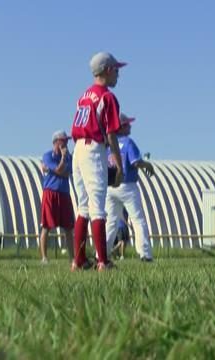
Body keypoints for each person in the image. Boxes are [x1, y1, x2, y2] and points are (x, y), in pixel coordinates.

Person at [70, 52, 126, 272]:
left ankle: (79, 260)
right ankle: (103, 261)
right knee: (97, 207)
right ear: (108, 70)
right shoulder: (107, 97)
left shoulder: (84, 96)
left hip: (78, 150)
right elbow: (111, 135)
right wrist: (119, 166)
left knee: (83, 207)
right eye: (116, 70)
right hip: (94, 149)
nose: (118, 74)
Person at [104, 113, 155, 262]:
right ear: (121, 127)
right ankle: (145, 254)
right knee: (138, 220)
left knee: (111, 222)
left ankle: (102, 254)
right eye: (127, 124)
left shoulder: (108, 144)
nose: (130, 126)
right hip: (127, 185)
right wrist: (148, 164)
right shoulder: (128, 142)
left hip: (111, 186)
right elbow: (136, 162)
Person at [39, 130, 74, 265]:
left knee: (68, 228)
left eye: (66, 141)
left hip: (64, 193)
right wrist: (63, 159)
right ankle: (44, 258)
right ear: (56, 142)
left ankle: (72, 257)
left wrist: (54, 171)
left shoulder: (69, 156)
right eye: (63, 140)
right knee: (47, 226)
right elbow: (60, 170)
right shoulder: (48, 156)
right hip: (50, 193)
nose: (66, 143)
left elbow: (66, 174)